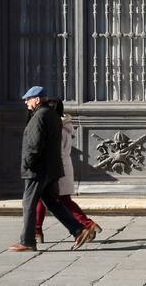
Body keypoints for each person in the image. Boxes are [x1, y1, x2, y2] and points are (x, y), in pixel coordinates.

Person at [8, 86, 95, 252]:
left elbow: (34, 144)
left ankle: (27, 241)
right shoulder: (53, 115)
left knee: (28, 203)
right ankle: (79, 230)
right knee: (53, 203)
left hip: (38, 169)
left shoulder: (39, 116)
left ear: (37, 99)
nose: (25, 102)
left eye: (28, 99)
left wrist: (28, 163)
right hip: (51, 168)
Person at [35, 99, 103, 243]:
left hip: (56, 168)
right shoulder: (65, 127)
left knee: (49, 199)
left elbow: (54, 151)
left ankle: (86, 224)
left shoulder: (56, 128)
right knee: (54, 199)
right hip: (64, 166)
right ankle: (37, 230)